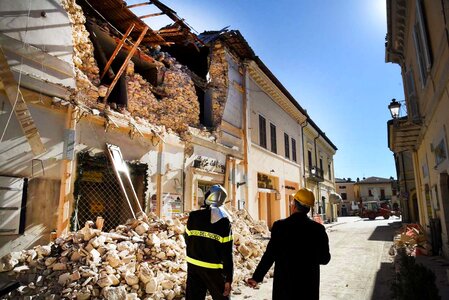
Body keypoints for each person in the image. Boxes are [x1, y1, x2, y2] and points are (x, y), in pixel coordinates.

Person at [246, 188, 331, 300]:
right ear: (308, 209)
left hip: (284, 289)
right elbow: (325, 259)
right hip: (308, 289)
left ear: (294, 206)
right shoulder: (318, 229)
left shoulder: (280, 227)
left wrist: (256, 278)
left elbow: (269, 255)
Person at [185, 184, 233, 299]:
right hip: (214, 270)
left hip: (193, 266)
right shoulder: (224, 221)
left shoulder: (193, 216)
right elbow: (227, 253)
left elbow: (187, 240)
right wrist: (228, 278)